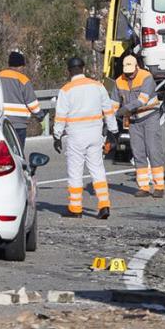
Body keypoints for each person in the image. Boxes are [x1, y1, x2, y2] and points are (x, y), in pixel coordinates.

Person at [53, 56, 118, 219]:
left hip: (76, 134)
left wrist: (57, 135)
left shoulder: (66, 90)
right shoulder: (97, 86)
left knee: (75, 171)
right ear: (83, 68)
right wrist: (113, 130)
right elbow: (108, 109)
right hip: (95, 133)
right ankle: (104, 205)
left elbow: (60, 115)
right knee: (97, 169)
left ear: (69, 71)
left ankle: (75, 209)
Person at [114, 53, 165, 198]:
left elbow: (142, 100)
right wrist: (111, 116)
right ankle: (143, 186)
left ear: (137, 67)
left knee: (153, 150)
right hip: (134, 121)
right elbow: (114, 103)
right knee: (138, 153)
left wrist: (124, 109)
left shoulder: (146, 77)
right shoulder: (119, 81)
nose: (129, 75)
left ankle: (159, 186)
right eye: (127, 72)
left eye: (131, 72)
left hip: (149, 116)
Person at [0, 51, 45, 148]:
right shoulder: (23, 79)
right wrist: (40, 115)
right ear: (20, 65)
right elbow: (32, 103)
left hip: (1, 122)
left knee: (3, 151)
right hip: (19, 124)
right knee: (18, 154)